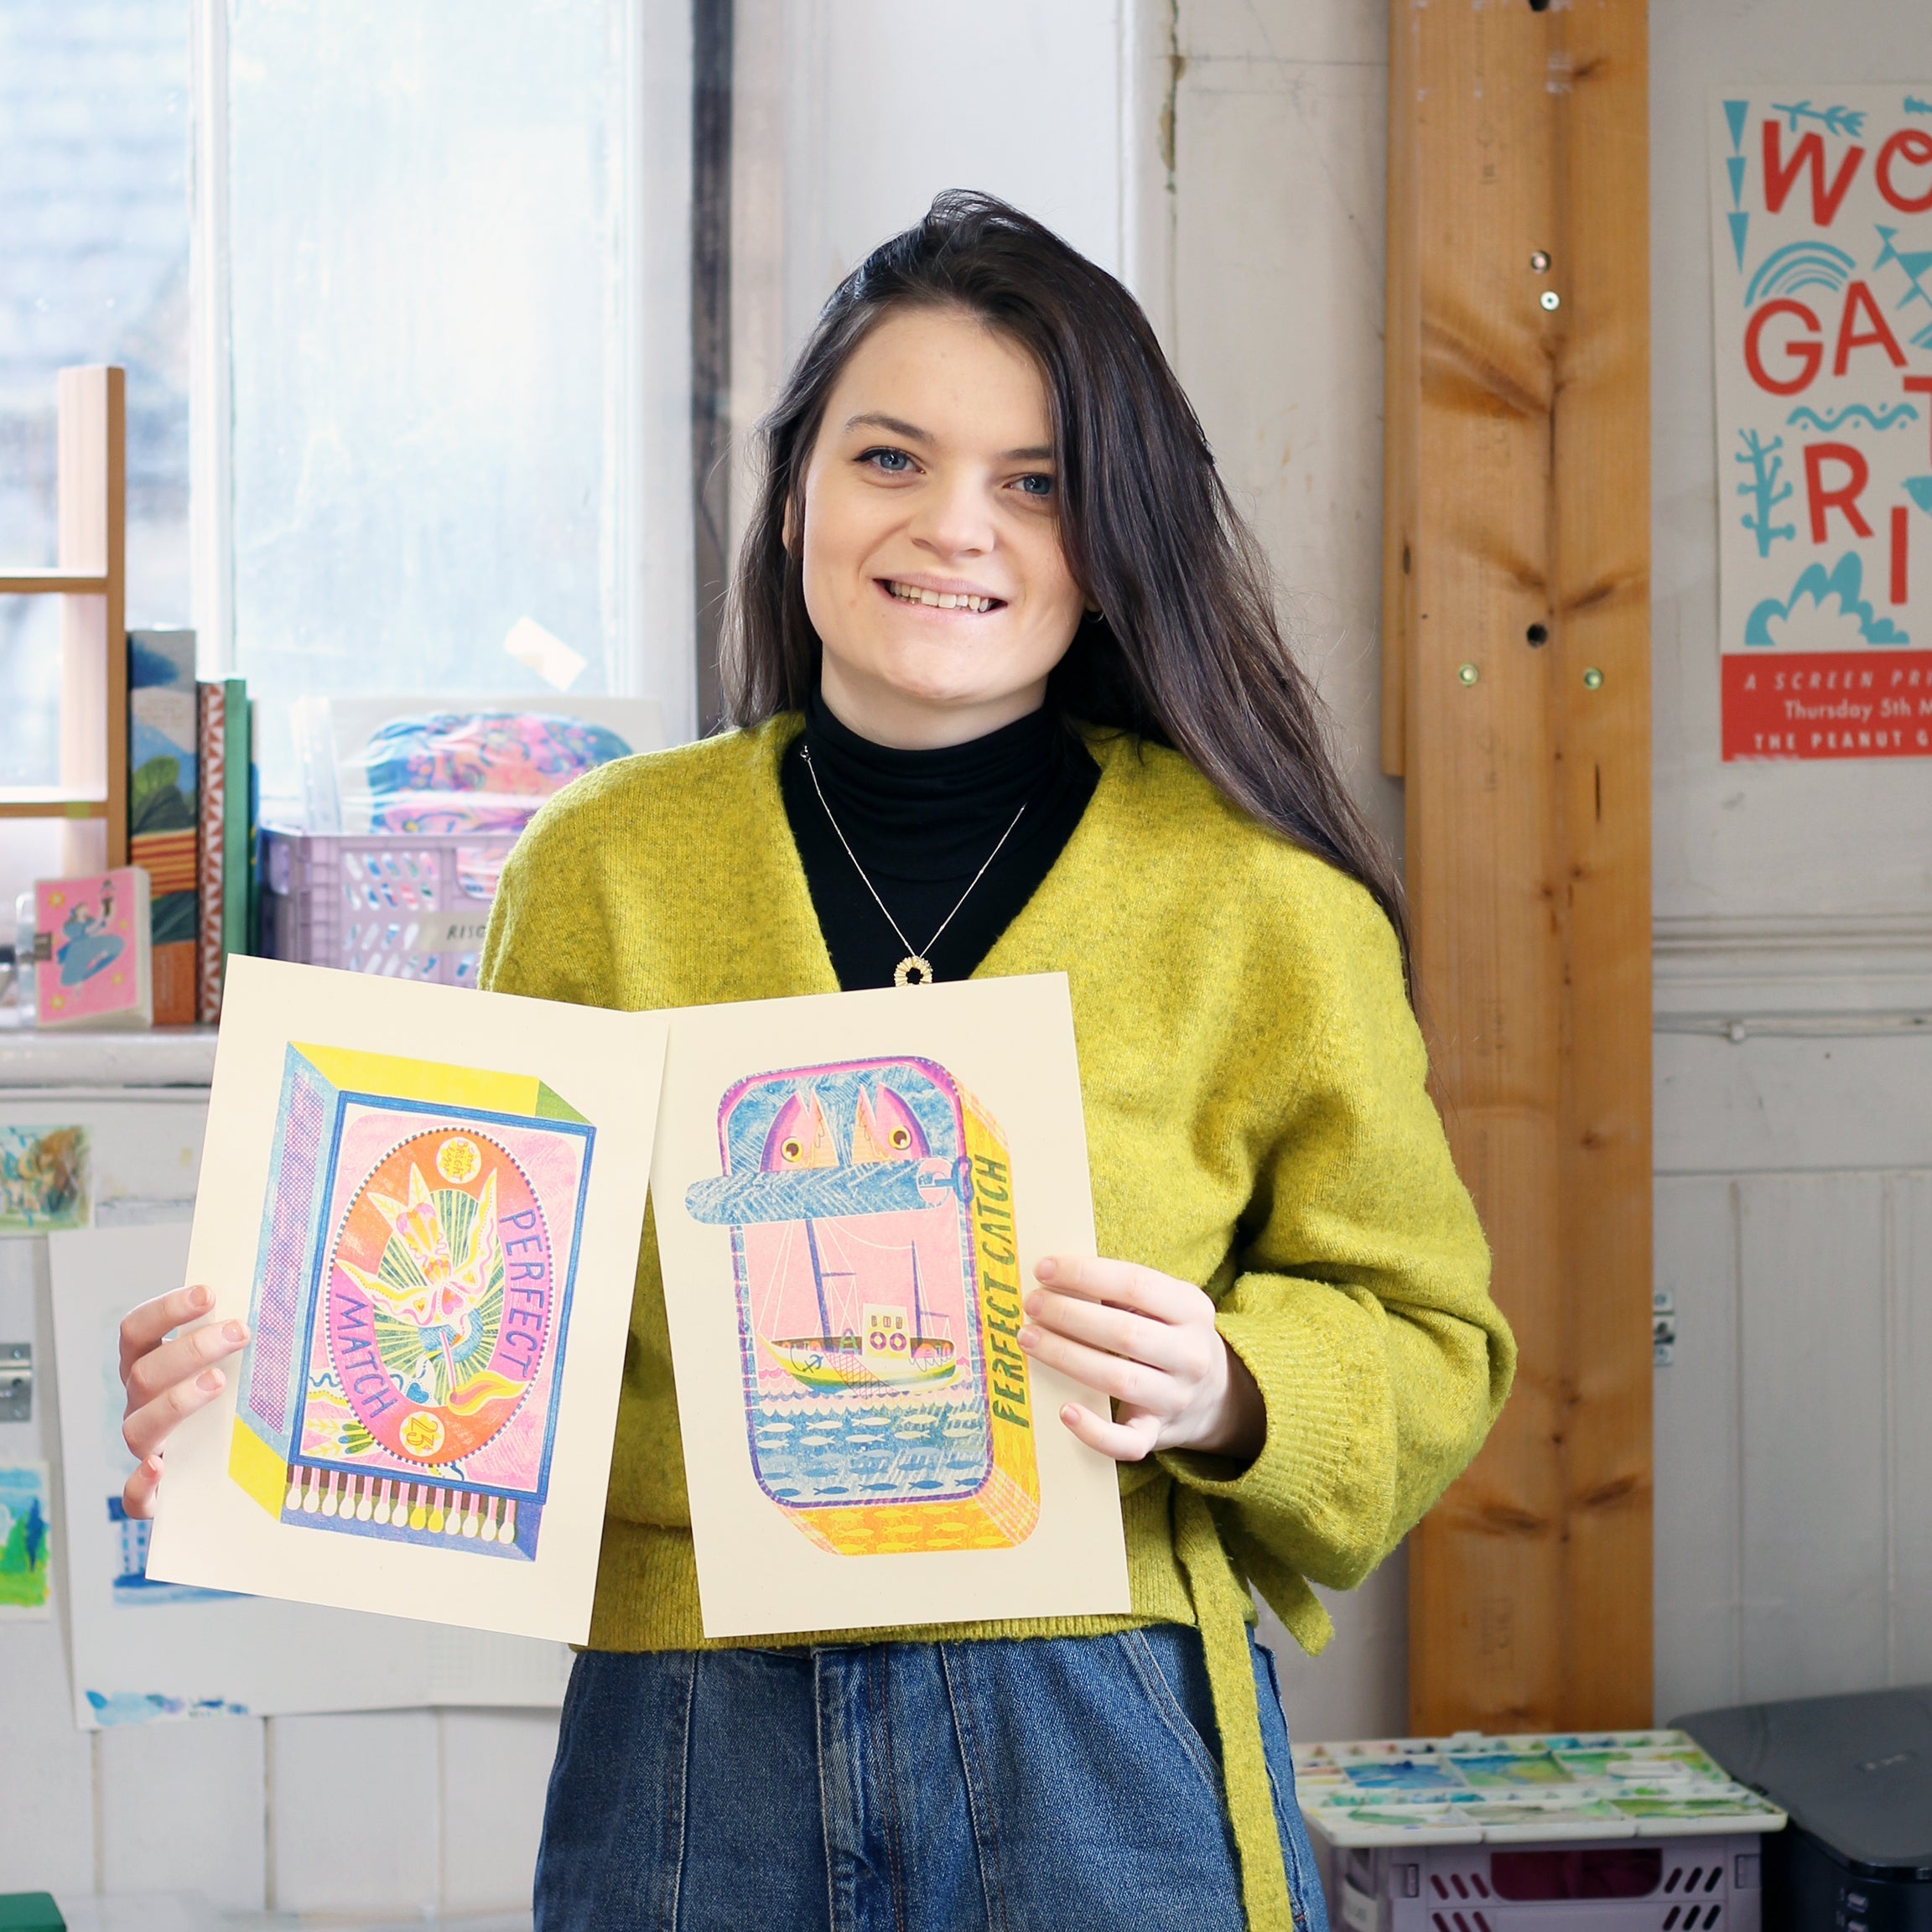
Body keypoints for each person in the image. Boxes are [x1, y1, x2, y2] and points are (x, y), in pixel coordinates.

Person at [117, 192, 1511, 1932]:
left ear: (1112, 532)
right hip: (695, 1732)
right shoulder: (603, 867)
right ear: (795, 497)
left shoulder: (1262, 904)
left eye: (1037, 480)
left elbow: (1435, 1341)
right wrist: (253, 1396)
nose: (953, 527)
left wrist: (1228, 1386)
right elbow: (463, 1283)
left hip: (1099, 1730)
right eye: (889, 458)